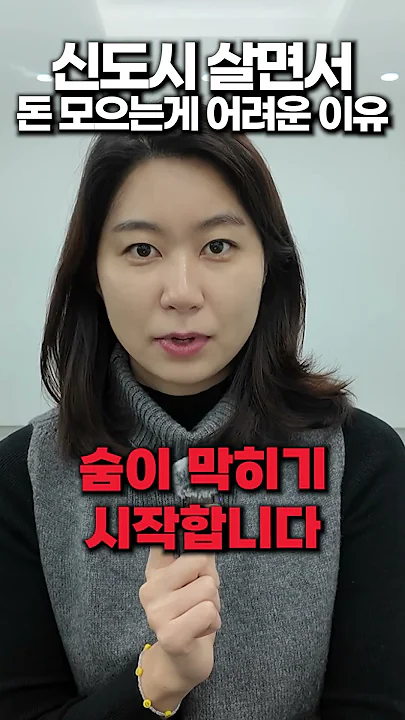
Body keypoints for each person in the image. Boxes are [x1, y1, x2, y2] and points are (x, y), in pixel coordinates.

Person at [0, 117, 404, 720]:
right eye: (142, 250)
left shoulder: (363, 461)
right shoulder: (25, 475)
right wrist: (158, 682)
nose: (182, 292)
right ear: (94, 274)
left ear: (268, 265)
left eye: (218, 246)